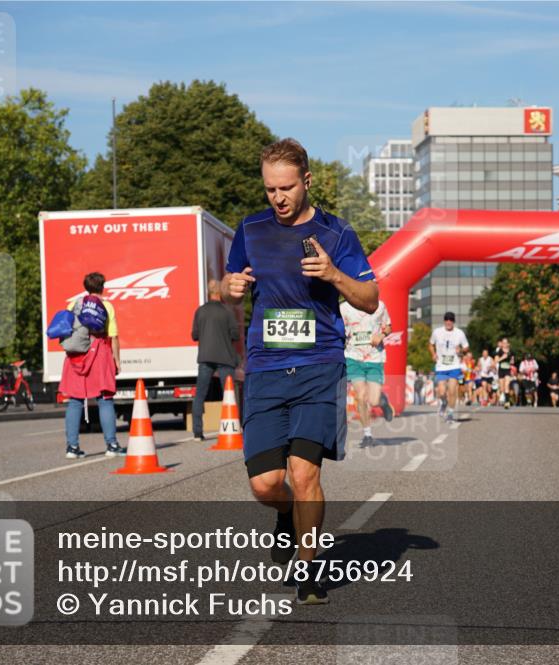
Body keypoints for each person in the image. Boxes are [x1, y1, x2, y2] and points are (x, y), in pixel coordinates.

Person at [223, 138, 377, 606]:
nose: (278, 198)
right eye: (270, 189)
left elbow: (370, 300)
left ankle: (308, 569)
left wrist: (333, 276)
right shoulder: (250, 229)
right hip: (266, 368)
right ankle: (286, 514)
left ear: (306, 181)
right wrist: (229, 287)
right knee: (266, 484)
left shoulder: (337, 233)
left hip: (319, 365)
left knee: (305, 472)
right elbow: (228, 285)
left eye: (286, 188)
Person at [60, 272, 127, 459]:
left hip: (76, 355)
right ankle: (111, 445)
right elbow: (113, 336)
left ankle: (72, 448)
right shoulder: (107, 306)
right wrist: (117, 360)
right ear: (102, 287)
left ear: (86, 287)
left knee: (75, 401)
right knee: (105, 399)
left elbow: (66, 330)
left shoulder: (73, 304)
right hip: (99, 353)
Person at [190, 279, 240, 441]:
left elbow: (194, 335)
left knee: (200, 394)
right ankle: (233, 427)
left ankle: (197, 432)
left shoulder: (200, 311)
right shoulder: (227, 311)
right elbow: (235, 335)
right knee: (229, 394)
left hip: (205, 357)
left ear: (209, 293)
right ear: (221, 293)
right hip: (225, 357)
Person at [341, 298, 393, 447]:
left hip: (374, 358)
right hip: (353, 357)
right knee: (361, 397)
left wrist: (381, 336)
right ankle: (367, 434)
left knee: (373, 401)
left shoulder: (379, 306)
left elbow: (388, 327)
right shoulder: (344, 308)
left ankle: (382, 401)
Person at [429, 312, 470, 421]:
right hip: (441, 366)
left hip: (454, 366)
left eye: (451, 320)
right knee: (441, 391)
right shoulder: (437, 332)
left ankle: (450, 412)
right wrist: (433, 354)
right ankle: (444, 402)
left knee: (452, 391)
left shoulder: (459, 333)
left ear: (453, 321)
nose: (448, 322)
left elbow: (466, 347)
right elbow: (431, 344)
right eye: (447, 320)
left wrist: (461, 350)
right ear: (444, 321)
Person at [494, 338, 515, 408]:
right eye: (503, 343)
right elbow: (496, 361)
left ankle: (507, 402)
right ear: (502, 344)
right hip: (501, 370)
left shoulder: (511, 351)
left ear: (508, 344)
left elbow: (512, 361)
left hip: (507, 370)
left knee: (507, 385)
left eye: (506, 343)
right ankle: (503, 397)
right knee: (502, 388)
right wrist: (502, 357)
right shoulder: (499, 351)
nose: (504, 344)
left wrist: (511, 361)